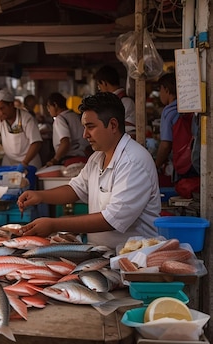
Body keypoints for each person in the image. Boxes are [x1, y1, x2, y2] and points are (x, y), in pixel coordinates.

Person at [17, 92, 161, 249]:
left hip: (134, 258)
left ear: (113, 125)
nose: (85, 135)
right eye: (84, 127)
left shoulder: (133, 161)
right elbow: (75, 189)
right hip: (102, 253)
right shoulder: (97, 157)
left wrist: (54, 224)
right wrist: (39, 196)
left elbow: (110, 219)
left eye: (90, 127)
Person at [44, 92, 90, 167]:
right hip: (85, 157)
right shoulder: (76, 115)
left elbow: (65, 143)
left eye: (49, 107)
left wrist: (55, 159)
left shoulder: (60, 119)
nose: (48, 110)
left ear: (55, 105)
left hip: (70, 160)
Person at [94, 65, 136, 137]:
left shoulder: (126, 102)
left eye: (99, 85)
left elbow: (130, 131)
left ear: (104, 83)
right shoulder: (113, 101)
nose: (99, 89)